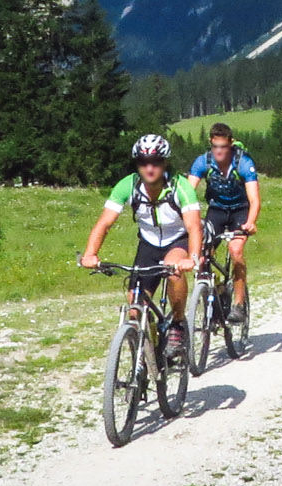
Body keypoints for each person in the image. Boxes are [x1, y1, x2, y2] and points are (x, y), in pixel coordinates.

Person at [80, 133, 202, 361]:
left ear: (164, 162)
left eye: (155, 162)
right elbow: (104, 223)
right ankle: (149, 354)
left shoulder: (181, 186)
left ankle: (177, 324)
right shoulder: (128, 186)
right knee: (134, 310)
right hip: (148, 244)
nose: (149, 168)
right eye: (143, 162)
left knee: (173, 269)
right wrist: (90, 254)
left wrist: (192, 258)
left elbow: (194, 227)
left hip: (177, 240)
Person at [189, 123, 261, 326]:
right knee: (202, 254)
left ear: (230, 144)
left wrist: (250, 222)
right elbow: (187, 193)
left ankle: (239, 304)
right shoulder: (203, 162)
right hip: (217, 210)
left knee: (236, 251)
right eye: (215, 146)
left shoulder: (244, 163)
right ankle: (215, 294)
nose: (219, 151)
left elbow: (254, 200)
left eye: (223, 146)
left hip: (240, 210)